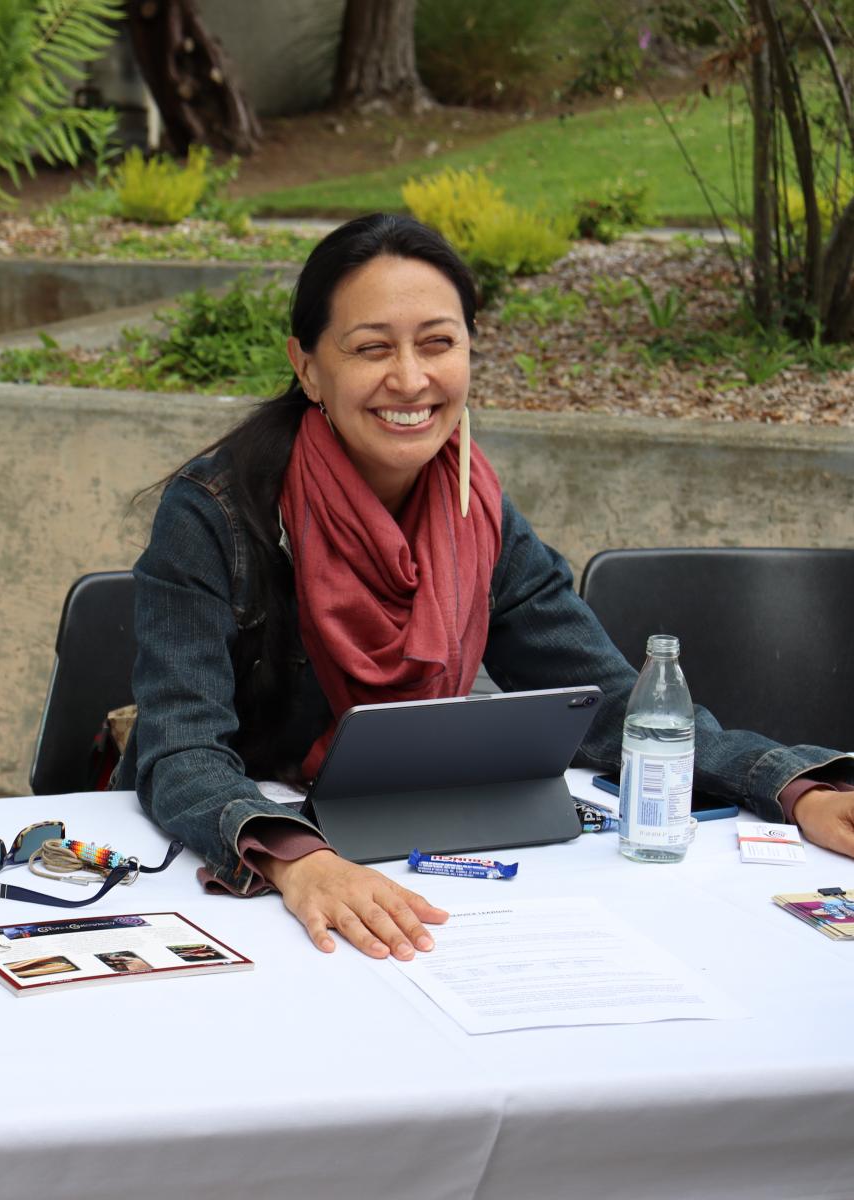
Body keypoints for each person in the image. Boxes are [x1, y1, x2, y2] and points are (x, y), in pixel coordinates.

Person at [120, 213, 854, 960]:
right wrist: (295, 859)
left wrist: (794, 788)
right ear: (307, 368)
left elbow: (610, 705)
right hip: (249, 877)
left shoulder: (475, 508)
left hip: (408, 854)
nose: (410, 379)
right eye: (371, 348)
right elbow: (178, 748)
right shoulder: (213, 511)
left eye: (438, 343)